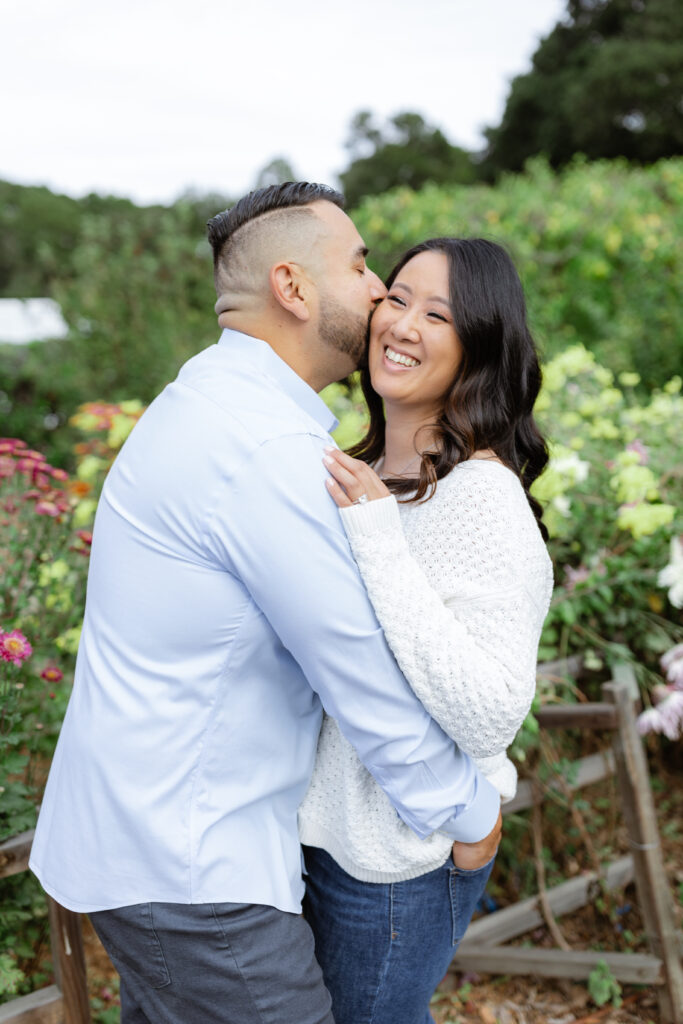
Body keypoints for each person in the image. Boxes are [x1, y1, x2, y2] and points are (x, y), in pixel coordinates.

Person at [29, 186, 502, 1024]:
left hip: (151, 844)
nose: (376, 292)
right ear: (293, 287)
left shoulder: (207, 403)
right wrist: (466, 810)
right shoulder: (265, 450)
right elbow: (356, 666)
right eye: (359, 266)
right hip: (189, 871)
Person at [299, 237, 553, 1024]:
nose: (402, 324)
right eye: (396, 298)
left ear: (477, 344)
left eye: (436, 314)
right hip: (308, 837)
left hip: (391, 866)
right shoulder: (361, 469)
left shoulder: (482, 498)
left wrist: (376, 536)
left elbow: (489, 711)